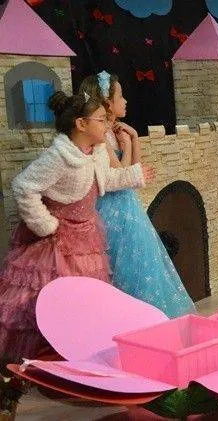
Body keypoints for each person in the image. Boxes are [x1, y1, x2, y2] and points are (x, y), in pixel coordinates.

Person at [0, 91, 152, 362]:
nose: (106, 126)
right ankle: (45, 358)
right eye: (101, 120)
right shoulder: (59, 157)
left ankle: (80, 352)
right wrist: (45, 224)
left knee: (85, 298)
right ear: (81, 124)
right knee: (50, 295)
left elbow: (105, 180)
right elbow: (24, 186)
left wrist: (133, 175)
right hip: (56, 242)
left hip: (86, 237)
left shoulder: (96, 153)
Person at [78, 71, 195, 318]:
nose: (125, 101)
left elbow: (133, 174)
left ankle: (148, 319)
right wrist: (129, 144)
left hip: (127, 205)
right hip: (113, 209)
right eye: (120, 96)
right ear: (107, 103)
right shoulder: (101, 137)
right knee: (126, 268)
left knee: (143, 265)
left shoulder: (113, 132)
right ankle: (131, 320)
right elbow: (123, 176)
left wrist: (133, 141)